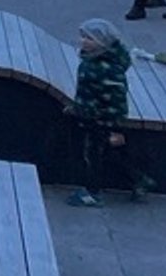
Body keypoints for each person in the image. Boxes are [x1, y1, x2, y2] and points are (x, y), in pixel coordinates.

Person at [65, 18, 156, 206]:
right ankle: (140, 180)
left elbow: (117, 100)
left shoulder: (107, 68)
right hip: (92, 115)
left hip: (101, 121)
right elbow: (88, 92)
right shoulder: (93, 60)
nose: (83, 41)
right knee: (114, 154)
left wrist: (117, 129)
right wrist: (77, 107)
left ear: (101, 43)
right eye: (83, 37)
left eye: (89, 38)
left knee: (93, 155)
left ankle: (93, 193)